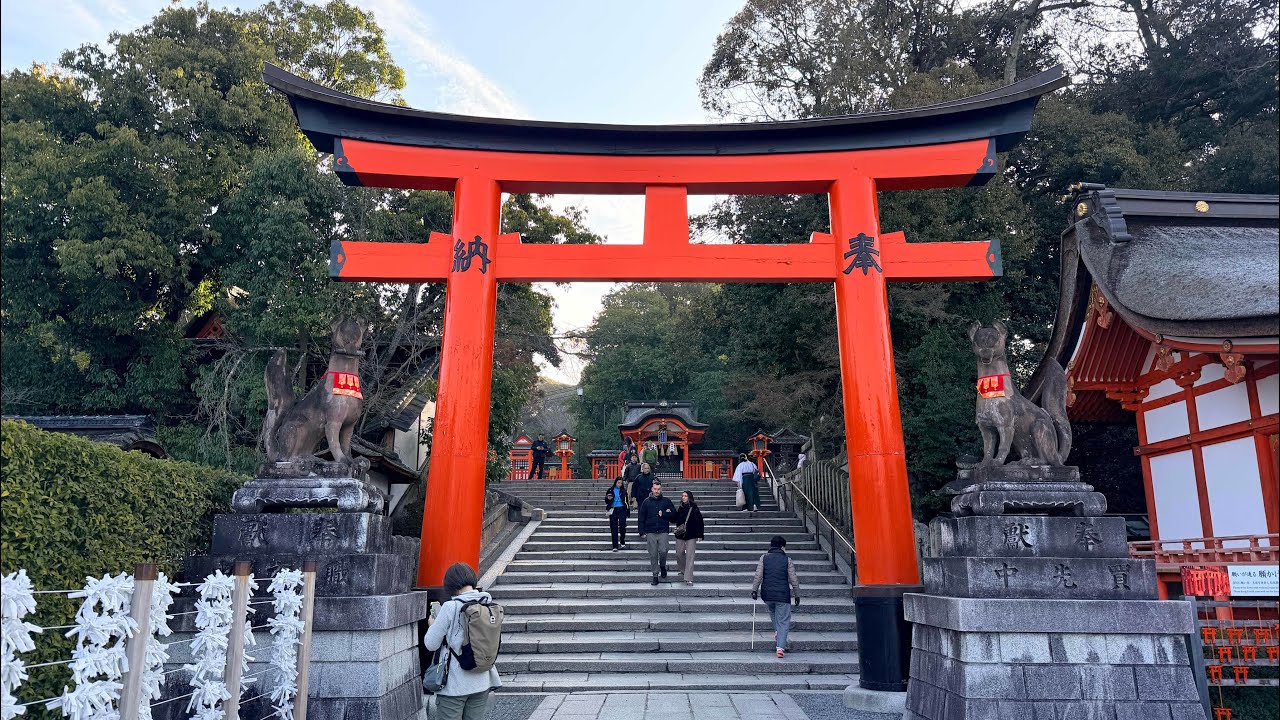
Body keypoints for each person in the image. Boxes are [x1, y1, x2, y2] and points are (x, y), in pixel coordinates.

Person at [423, 563, 502, 718]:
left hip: (455, 685)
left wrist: (432, 625)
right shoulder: (488, 605)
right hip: (482, 681)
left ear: (450, 585)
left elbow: (431, 644)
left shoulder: (450, 607)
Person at [751, 536, 800, 658]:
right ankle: (780, 648)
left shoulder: (764, 558)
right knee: (783, 620)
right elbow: (794, 579)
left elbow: (758, 575)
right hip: (782, 594)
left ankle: (778, 633)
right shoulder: (787, 560)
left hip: (767, 594)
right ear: (783, 547)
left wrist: (754, 590)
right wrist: (797, 594)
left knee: (773, 612)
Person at [637, 481, 676, 585]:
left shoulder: (666, 501)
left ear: (661, 490)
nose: (657, 491)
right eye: (655, 489)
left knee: (664, 551)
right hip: (650, 531)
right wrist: (641, 531)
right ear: (652, 489)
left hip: (663, 530)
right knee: (653, 554)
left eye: (658, 489)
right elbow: (641, 517)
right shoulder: (646, 502)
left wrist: (664, 514)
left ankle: (662, 565)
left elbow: (674, 516)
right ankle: (655, 575)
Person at [672, 490, 705, 585]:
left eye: (685, 496)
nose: (683, 497)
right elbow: (676, 519)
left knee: (690, 556)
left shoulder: (694, 508)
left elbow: (700, 521)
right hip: (681, 534)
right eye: (682, 496)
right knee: (679, 553)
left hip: (691, 534)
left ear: (689, 497)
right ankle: (682, 569)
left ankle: (688, 577)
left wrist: (700, 534)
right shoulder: (680, 508)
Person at [604, 477, 630, 550]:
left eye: (621, 483)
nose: (620, 484)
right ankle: (615, 545)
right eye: (618, 483)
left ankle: (622, 541)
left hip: (622, 508)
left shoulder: (623, 491)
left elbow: (626, 501)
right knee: (614, 527)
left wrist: (628, 511)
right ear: (615, 482)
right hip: (613, 509)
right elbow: (606, 501)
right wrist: (608, 498)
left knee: (622, 526)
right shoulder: (610, 490)